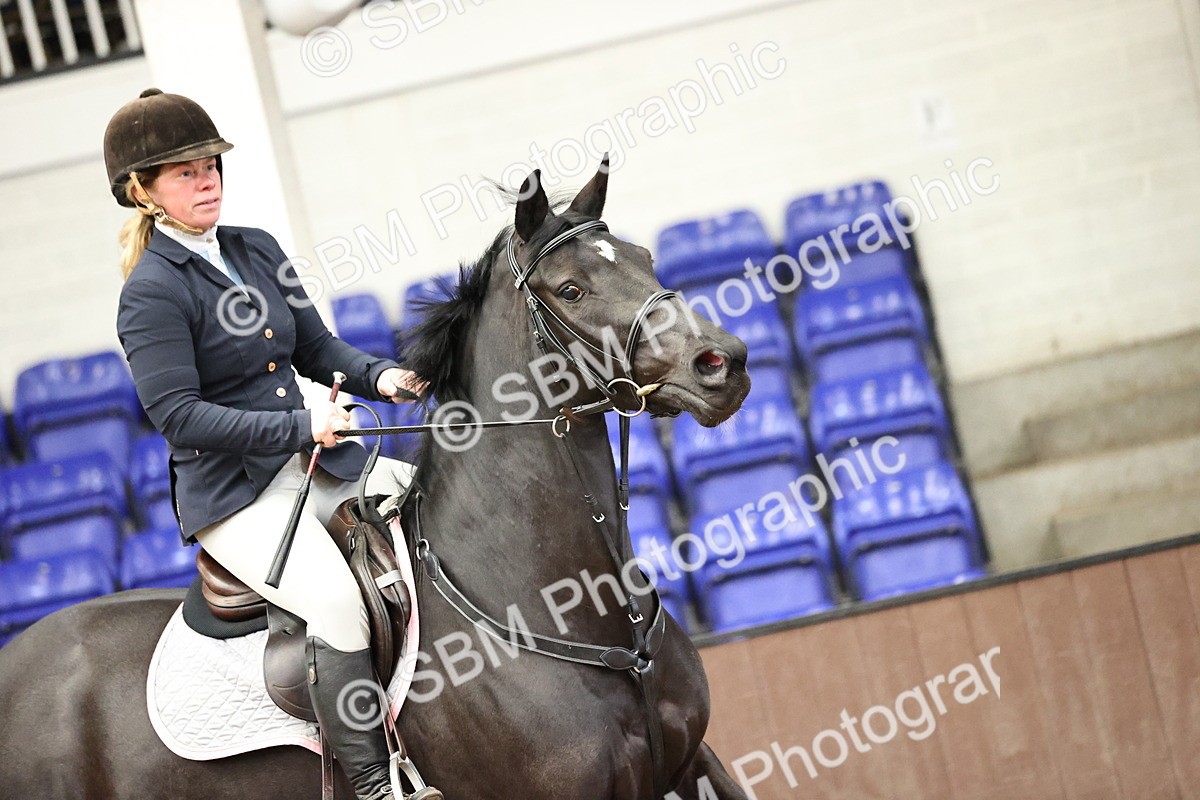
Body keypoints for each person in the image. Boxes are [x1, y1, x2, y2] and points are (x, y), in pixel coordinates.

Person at [106, 88, 426, 800]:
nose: (207, 179)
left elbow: (317, 348)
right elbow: (179, 417)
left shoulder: (254, 248)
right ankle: (375, 782)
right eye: (185, 171)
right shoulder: (152, 292)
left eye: (211, 165)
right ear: (143, 190)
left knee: (430, 499)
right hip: (237, 498)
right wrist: (296, 427)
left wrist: (386, 375)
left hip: (316, 460)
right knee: (338, 605)